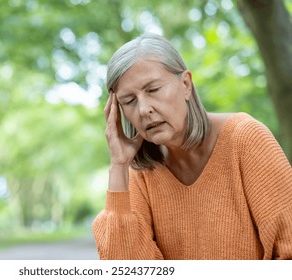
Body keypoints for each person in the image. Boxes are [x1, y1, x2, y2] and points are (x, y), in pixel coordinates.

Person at [92, 33, 292, 260]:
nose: (143, 109)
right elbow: (126, 270)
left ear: (185, 84)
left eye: (153, 90)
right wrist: (118, 166)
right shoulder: (141, 175)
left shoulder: (246, 139)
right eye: (129, 101)